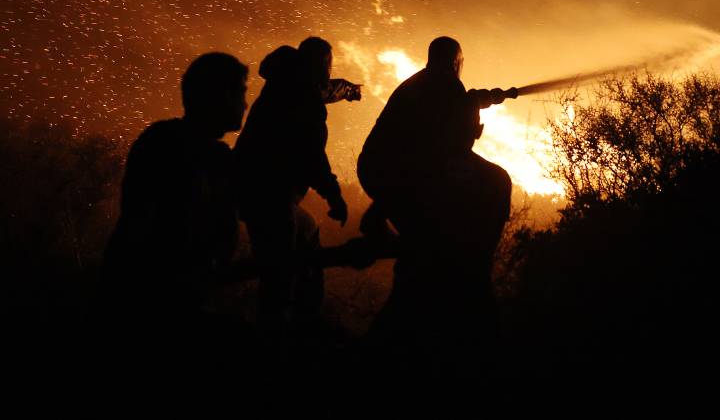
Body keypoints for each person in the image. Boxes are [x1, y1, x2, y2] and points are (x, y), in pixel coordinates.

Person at [357, 36, 512, 368]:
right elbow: (431, 150)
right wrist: (381, 207)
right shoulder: (444, 88)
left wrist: (476, 101)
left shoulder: (421, 84)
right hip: (397, 174)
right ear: (457, 62)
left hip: (379, 170)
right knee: (494, 184)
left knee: (423, 252)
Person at [99, 51, 249, 364]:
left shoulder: (188, 147)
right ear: (218, 94)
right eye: (240, 92)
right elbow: (142, 225)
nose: (245, 104)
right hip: (147, 305)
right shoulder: (172, 146)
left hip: (166, 298)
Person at [232, 36, 357, 351]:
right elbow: (312, 155)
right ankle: (276, 344)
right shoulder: (303, 99)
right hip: (270, 196)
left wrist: (347, 90)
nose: (329, 73)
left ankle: (300, 325)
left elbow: (324, 89)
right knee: (279, 276)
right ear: (318, 66)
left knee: (307, 233)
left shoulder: (284, 83)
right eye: (328, 66)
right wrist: (334, 196)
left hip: (249, 188)